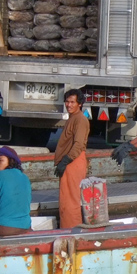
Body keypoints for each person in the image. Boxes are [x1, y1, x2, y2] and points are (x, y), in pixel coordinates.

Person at [54, 88, 89, 228]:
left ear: (79, 103)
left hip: (73, 162)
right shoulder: (72, 118)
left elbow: (79, 145)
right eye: (67, 102)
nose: (69, 105)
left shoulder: (80, 120)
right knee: (65, 200)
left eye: (72, 102)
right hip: (70, 161)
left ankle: (71, 232)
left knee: (70, 201)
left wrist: (65, 161)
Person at [0, 146, 32, 236]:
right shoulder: (25, 177)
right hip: (26, 226)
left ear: (11, 161)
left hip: (5, 226)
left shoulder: (0, 175)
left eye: (1, 160)